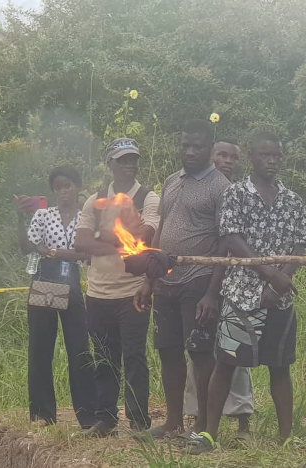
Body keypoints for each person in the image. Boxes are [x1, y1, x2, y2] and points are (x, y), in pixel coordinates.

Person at [185, 131, 306, 454]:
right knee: (226, 363)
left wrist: (281, 281)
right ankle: (209, 434)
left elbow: (300, 244)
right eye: (265, 155)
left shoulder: (293, 200)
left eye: (277, 155)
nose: (272, 161)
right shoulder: (235, 194)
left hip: (280, 300)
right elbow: (232, 239)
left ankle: (286, 437)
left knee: (280, 367)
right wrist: (270, 275)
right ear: (252, 157)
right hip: (240, 296)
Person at [133, 120, 230, 441]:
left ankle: (202, 424)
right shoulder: (172, 181)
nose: (189, 151)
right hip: (165, 282)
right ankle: (173, 421)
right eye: (185, 145)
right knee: (168, 351)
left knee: (200, 353)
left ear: (210, 148)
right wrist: (149, 278)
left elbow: (224, 243)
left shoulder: (221, 187)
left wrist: (212, 294)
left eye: (197, 146)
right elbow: (161, 230)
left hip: (199, 281)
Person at [75, 138, 160, 437]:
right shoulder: (95, 200)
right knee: (104, 358)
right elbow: (80, 243)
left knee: (134, 356)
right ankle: (106, 419)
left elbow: (146, 237)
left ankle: (138, 421)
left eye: (133, 159)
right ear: (110, 163)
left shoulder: (148, 198)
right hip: (98, 292)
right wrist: (119, 238)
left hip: (134, 291)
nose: (129, 165)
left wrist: (100, 236)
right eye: (123, 160)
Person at [183, 137, 255, 440]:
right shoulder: (196, 189)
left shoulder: (243, 194)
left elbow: (234, 241)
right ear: (210, 157)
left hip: (236, 284)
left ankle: (242, 420)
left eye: (233, 157)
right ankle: (197, 416)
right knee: (198, 349)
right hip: (201, 279)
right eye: (221, 155)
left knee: (234, 351)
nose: (227, 161)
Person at [15, 166, 96, 429]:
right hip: (46, 279)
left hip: (71, 281)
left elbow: (87, 255)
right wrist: (20, 218)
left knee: (79, 349)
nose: (62, 191)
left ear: (78, 187)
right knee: (41, 347)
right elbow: (26, 247)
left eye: (67, 185)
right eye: (57, 187)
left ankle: (87, 414)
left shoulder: (86, 218)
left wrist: (53, 251)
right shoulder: (43, 214)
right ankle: (42, 413)